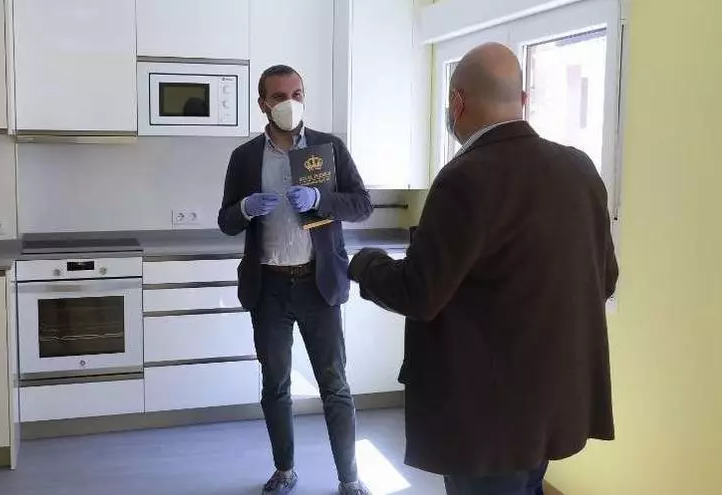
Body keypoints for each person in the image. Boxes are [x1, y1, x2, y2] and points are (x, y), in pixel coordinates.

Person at [348, 43, 619, 495]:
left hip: (486, 418)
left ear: (457, 102)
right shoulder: (578, 168)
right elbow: (605, 279)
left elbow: (419, 293)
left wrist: (364, 263)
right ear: (523, 100)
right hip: (553, 401)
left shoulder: (465, 178)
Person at [218, 65, 374, 495]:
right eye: (279, 96)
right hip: (268, 287)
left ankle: (349, 479)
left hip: (317, 285)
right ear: (262, 103)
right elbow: (226, 221)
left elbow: (362, 205)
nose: (290, 102)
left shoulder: (329, 148)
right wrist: (245, 208)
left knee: (334, 385)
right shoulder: (245, 157)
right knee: (275, 386)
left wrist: (321, 198)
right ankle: (285, 470)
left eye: (297, 93)